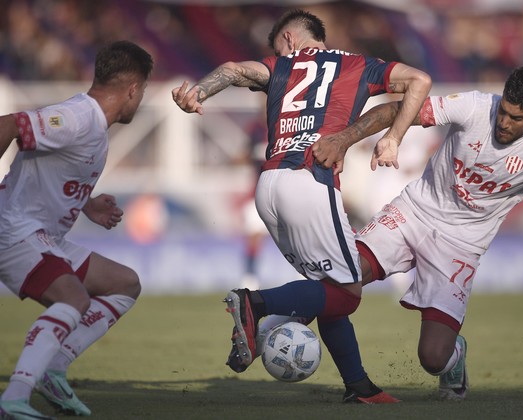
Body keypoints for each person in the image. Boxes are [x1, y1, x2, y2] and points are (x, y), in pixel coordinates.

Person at [172, 9, 432, 403]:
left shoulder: (279, 66)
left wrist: (198, 93)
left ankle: (358, 386)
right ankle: (255, 303)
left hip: (268, 184)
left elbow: (232, 70)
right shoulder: (359, 65)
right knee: (347, 293)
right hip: (310, 181)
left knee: (327, 290)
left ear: (289, 39)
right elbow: (420, 80)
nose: (280, 53)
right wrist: (393, 138)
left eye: (278, 47)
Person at [310, 64, 523, 400]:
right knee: (342, 276)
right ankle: (281, 322)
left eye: (516, 118)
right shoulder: (475, 106)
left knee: (433, 358)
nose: (504, 122)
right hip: (414, 212)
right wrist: (344, 140)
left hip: (461, 245)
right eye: (503, 111)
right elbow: (397, 110)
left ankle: (455, 355)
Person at [0, 40, 153, 419]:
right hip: (14, 230)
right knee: (72, 298)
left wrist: (88, 203)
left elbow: (51, 170)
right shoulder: (79, 117)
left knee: (124, 283)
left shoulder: (94, 125)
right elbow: (9, 125)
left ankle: (53, 369)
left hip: (43, 236)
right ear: (133, 89)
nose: (141, 100)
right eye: (143, 92)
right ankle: (14, 399)